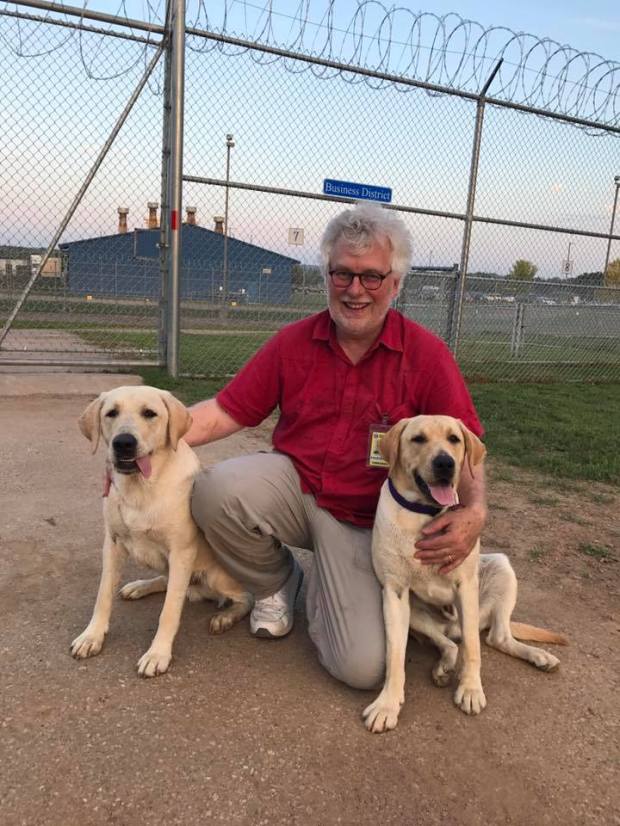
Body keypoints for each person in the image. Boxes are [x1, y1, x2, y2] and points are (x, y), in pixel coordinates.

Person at [187, 203, 485, 690]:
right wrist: (142, 449)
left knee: (362, 667)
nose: (354, 290)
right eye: (342, 273)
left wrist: (475, 512)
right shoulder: (292, 343)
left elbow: (464, 441)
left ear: (395, 284)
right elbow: (225, 411)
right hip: (297, 488)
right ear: (326, 276)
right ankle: (277, 583)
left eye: (371, 277)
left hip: (366, 523)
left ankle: (332, 582)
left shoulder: (427, 355)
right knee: (214, 490)